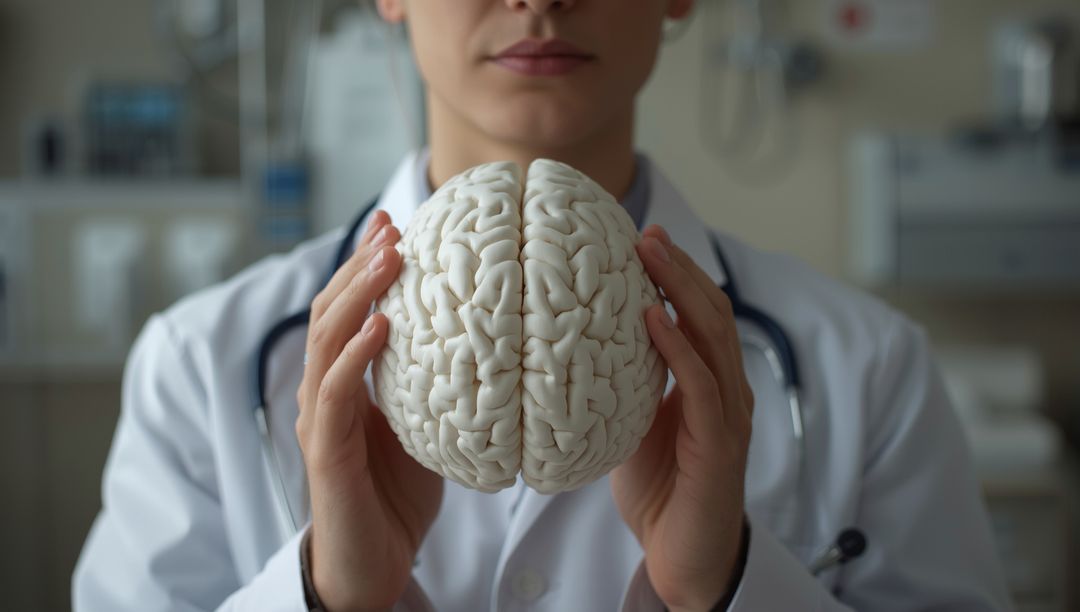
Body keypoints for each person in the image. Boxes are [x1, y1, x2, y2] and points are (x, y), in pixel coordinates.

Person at [73, 0, 1013, 610]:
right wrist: (327, 598)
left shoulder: (872, 368)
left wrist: (726, 588)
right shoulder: (197, 367)